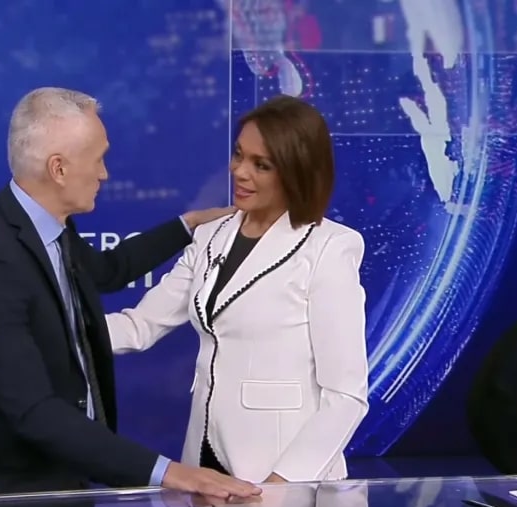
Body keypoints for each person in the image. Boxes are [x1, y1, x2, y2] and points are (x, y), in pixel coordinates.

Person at [0, 87, 262, 500]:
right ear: (58, 169)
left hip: (65, 484)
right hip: (10, 504)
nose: (105, 174)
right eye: (98, 159)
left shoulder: (50, 229)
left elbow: (108, 272)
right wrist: (168, 473)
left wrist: (189, 225)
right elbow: (33, 409)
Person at [106, 95, 369, 483]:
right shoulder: (211, 236)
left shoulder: (328, 249)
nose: (239, 172)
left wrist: (283, 484)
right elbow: (139, 325)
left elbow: (346, 396)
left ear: (296, 171)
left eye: (260, 165)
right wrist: (46, 332)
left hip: (283, 474)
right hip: (204, 459)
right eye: (238, 155)